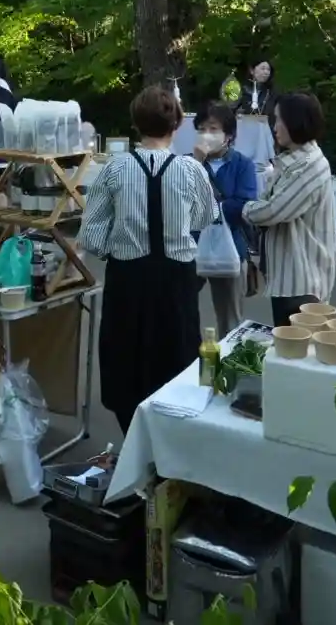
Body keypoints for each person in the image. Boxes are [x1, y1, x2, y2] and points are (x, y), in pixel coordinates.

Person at [78, 86, 216, 433]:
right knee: (177, 357)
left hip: (128, 278)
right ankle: (170, 445)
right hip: (177, 279)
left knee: (125, 361)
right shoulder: (191, 170)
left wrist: (116, 247)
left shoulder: (114, 168)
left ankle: (133, 443)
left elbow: (90, 234)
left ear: (136, 124)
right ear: (177, 125)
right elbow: (204, 218)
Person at [243, 92, 335, 325]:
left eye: (279, 120)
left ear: (296, 122)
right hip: (289, 277)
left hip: (302, 281)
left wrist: (243, 208)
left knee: (295, 344)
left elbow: (272, 210)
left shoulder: (309, 165)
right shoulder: (293, 160)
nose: (275, 127)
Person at [192, 103, 259, 338]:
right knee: (181, 309)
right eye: (201, 129)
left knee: (230, 319)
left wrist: (208, 206)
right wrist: (197, 164)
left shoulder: (242, 165)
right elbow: (181, 201)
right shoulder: (188, 163)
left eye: (213, 129)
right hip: (192, 246)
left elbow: (242, 206)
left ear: (228, 135)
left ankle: (226, 357)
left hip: (230, 248)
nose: (206, 135)